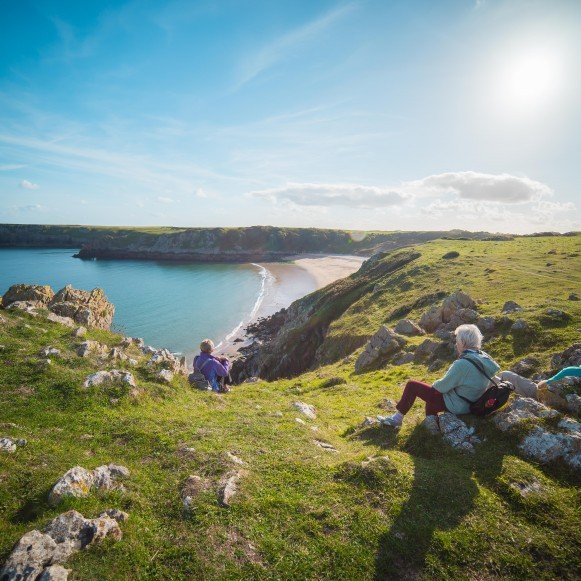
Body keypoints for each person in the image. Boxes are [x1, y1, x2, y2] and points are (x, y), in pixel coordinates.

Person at [379, 324, 500, 428]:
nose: (456, 343)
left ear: (463, 342)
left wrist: (434, 384)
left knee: (413, 385)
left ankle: (397, 419)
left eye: (457, 339)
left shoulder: (463, 364)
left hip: (458, 405)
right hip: (472, 402)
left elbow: (441, 387)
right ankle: (432, 425)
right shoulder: (483, 358)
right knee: (431, 401)